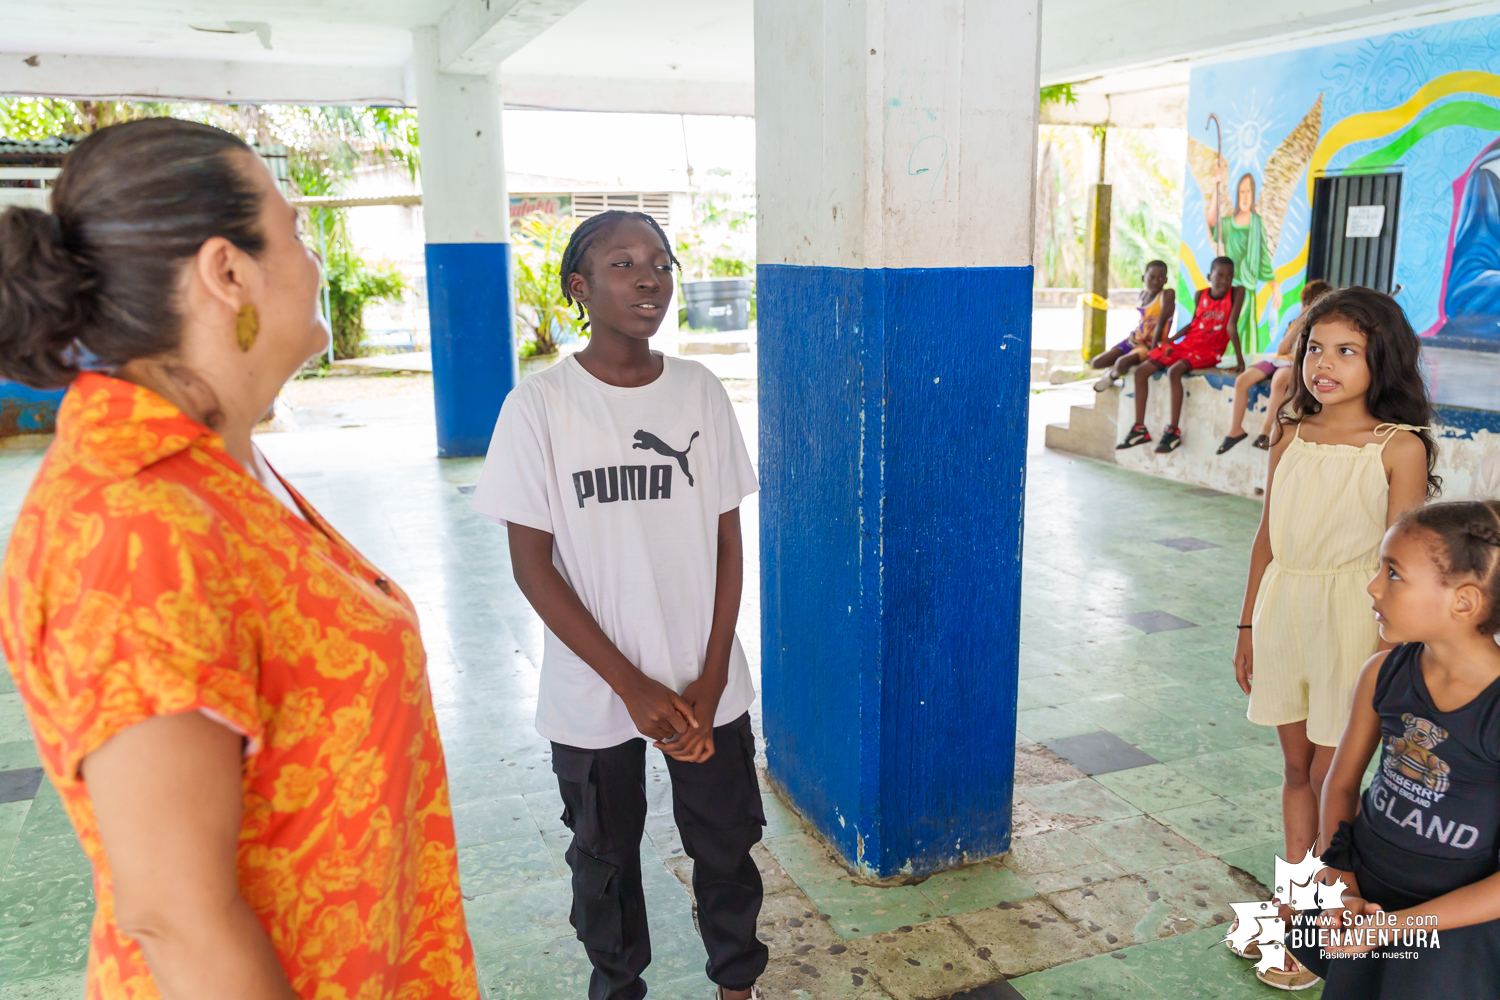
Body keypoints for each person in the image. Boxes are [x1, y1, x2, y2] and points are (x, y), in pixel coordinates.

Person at [0, 120, 477, 998]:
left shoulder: (219, 464)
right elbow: (174, 916)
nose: (314, 260)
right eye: (294, 233)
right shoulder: (136, 526)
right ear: (228, 273)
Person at [471, 210, 766, 1000]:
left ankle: (737, 985)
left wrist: (708, 680)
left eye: (662, 263)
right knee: (603, 859)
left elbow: (729, 544)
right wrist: (631, 686)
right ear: (580, 287)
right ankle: (618, 986)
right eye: (623, 264)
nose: (649, 278)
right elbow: (534, 569)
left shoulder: (700, 393)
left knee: (727, 845)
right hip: (593, 691)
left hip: (709, 684)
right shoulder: (538, 408)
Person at [1229, 286, 1438, 990]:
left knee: (1329, 785)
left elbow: (1404, 561)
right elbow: (1266, 535)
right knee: (1296, 774)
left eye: (1347, 351)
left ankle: (1314, 933)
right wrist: (1248, 620)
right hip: (1287, 607)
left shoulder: (1397, 448)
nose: (1325, 364)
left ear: (1382, 360)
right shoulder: (1289, 430)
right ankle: (1290, 909)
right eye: (1316, 348)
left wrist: (1393, 656)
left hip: (1356, 622)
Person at [1284, 501, 1500, 996]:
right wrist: (1340, 883)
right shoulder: (1383, 673)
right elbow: (1340, 783)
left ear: (1464, 602)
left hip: (1453, 933)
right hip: (1366, 898)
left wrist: (1392, 929)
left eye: (1394, 573)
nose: (1373, 586)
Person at [1117, 256, 1245, 454]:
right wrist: (1172, 339)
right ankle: (1139, 428)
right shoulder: (1200, 294)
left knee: (1174, 371)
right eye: (1220, 276)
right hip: (1188, 344)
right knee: (1142, 371)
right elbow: (1194, 323)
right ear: (1209, 275)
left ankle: (1173, 431)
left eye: (1229, 277)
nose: (1224, 281)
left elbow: (1230, 326)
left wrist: (1240, 361)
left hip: (1210, 350)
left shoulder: (1237, 293)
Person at [1219, 279, 1333, 454]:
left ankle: (1265, 432)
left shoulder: (1324, 327)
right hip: (1278, 358)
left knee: (1279, 382)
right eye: (1305, 304)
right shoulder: (1297, 321)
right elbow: (1282, 348)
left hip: (1293, 363)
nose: (1306, 308)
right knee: (1242, 380)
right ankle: (1235, 430)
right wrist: (1300, 321)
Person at [1209, 169, 1281, 353]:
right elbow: (1212, 222)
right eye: (1242, 191)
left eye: (1248, 191)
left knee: (1241, 333)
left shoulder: (1257, 223)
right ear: (1237, 194)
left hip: (1246, 290)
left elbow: (1263, 256)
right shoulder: (1228, 223)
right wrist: (1217, 185)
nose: (1245, 196)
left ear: (1253, 194)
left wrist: (1274, 287)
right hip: (1228, 290)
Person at [1090, 260, 1176, 392]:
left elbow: (1160, 323)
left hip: (1149, 345)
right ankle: (1119, 367)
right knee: (1096, 363)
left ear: (1166, 280)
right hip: (1134, 340)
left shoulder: (1167, 295)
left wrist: (1153, 352)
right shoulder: (1143, 295)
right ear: (1143, 278)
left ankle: (1113, 375)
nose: (1155, 281)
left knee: (1122, 363)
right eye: (1151, 277)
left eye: (1160, 278)